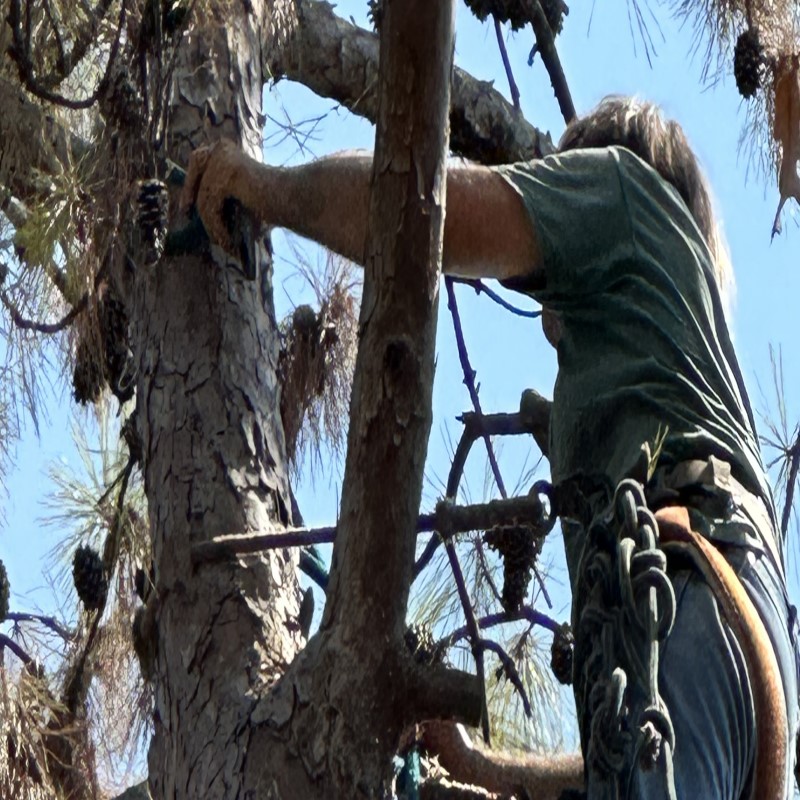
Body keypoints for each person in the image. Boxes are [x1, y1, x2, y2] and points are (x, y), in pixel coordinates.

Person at [182, 97, 799, 799]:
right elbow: (633, 748)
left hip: (694, 581)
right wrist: (488, 771)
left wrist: (263, 188)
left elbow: (421, 213)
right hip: (751, 668)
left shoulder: (623, 187)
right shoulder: (682, 343)